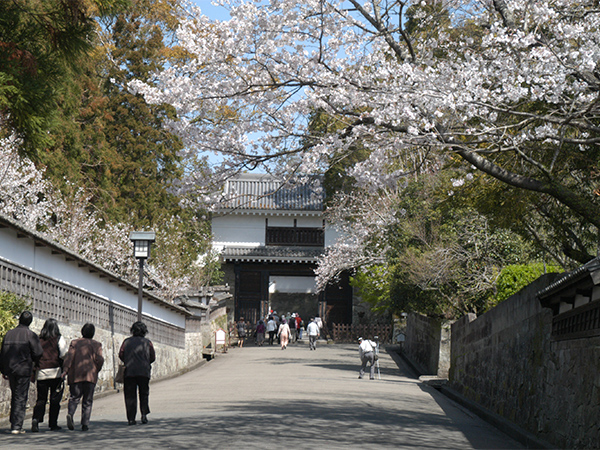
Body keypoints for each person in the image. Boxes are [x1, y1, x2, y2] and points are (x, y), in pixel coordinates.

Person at [0, 311, 43, 434]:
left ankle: (14, 422)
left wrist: (3, 369)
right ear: (30, 322)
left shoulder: (9, 334)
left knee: (15, 395)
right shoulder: (30, 335)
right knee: (20, 396)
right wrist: (33, 363)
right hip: (24, 369)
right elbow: (38, 352)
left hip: (10, 369)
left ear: (19, 319)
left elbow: (2, 352)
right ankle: (17, 426)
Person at [62, 323, 104, 431]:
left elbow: (69, 357)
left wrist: (65, 370)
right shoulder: (97, 345)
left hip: (76, 375)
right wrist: (96, 369)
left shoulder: (75, 343)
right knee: (87, 400)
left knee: (74, 397)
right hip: (90, 375)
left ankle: (70, 414)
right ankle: (85, 424)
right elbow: (100, 359)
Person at [32, 318, 69, 432]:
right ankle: (53, 424)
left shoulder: (38, 339)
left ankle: (36, 419)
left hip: (41, 373)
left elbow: (35, 354)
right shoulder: (58, 338)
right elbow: (63, 353)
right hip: (56, 372)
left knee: (41, 399)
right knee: (54, 400)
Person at [119, 321, 156, 426]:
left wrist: (127, 360)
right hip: (144, 371)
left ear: (133, 331)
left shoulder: (126, 342)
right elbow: (152, 357)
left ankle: (131, 418)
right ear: (144, 331)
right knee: (144, 393)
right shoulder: (147, 343)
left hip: (129, 371)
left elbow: (121, 354)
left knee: (130, 395)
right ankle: (144, 414)